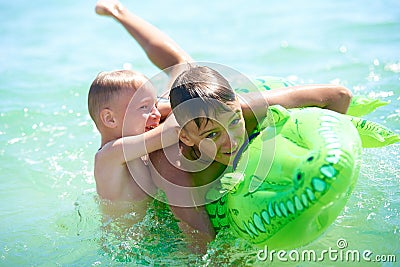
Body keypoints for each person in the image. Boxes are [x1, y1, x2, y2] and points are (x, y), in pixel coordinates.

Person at [93, 0, 352, 253]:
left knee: (182, 63)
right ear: (186, 138)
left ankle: (119, 11)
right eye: (214, 134)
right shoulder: (165, 165)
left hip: (194, 116)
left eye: (235, 121)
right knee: (182, 69)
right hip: (132, 233)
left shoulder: (240, 107)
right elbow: (202, 248)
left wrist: (330, 143)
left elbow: (339, 95)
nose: (231, 140)